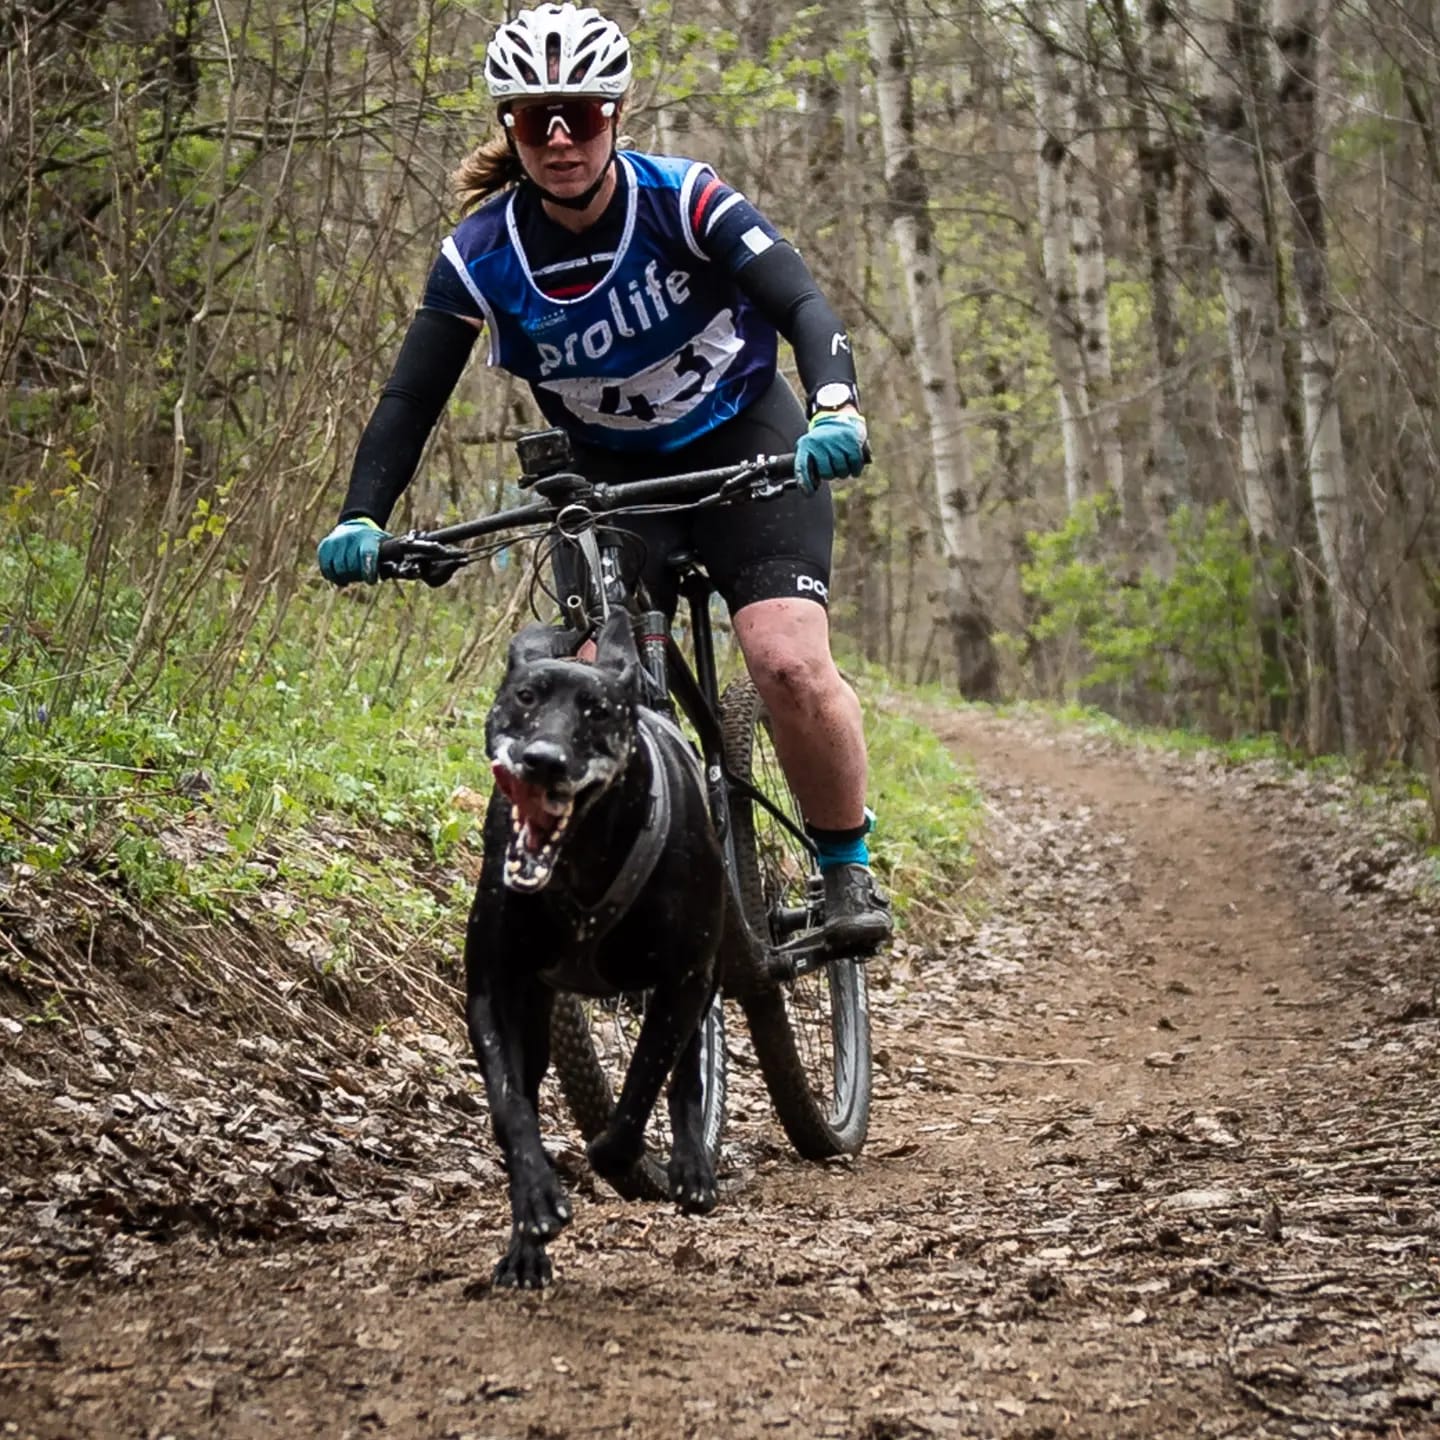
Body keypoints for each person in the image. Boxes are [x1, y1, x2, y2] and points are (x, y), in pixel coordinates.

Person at [317, 2, 889, 948]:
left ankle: (843, 870)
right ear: (508, 126)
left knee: (785, 660)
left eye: (579, 115)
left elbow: (800, 298)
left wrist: (835, 405)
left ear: (616, 116)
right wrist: (361, 515)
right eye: (535, 116)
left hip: (745, 442)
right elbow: (410, 396)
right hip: (605, 478)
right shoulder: (480, 256)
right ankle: (598, 893)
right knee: (585, 685)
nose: (558, 138)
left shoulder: (685, 199)